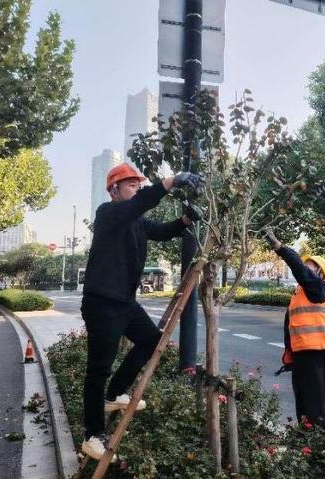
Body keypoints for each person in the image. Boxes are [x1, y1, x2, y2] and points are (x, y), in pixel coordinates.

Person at [81, 163, 203, 459]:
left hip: (124, 302)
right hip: (102, 303)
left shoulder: (137, 222)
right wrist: (169, 182)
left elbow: (161, 231)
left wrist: (185, 220)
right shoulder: (108, 213)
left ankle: (115, 393)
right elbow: (140, 204)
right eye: (131, 185)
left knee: (152, 340)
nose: (136, 188)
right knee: (98, 369)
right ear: (114, 190)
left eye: (138, 184)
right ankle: (92, 435)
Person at [265, 227, 325, 428]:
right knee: (304, 407)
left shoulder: (317, 287)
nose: (305, 268)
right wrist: (291, 356)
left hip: (316, 355)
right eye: (305, 264)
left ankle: (321, 450)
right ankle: (307, 444)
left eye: (310, 266)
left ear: (319, 273)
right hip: (303, 357)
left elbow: (298, 269)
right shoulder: (301, 293)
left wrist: (279, 248)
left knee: (318, 410)